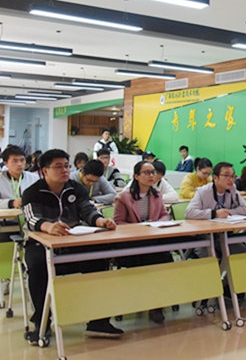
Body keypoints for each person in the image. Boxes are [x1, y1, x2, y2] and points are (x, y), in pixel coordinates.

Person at [22, 149, 122, 342]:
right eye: (58, 166)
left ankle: (98, 321)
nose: (65, 170)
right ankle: (42, 323)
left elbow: (87, 209)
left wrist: (100, 221)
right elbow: (32, 217)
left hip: (73, 241)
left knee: (100, 258)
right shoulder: (33, 192)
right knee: (38, 266)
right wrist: (48, 226)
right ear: (45, 170)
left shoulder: (76, 188)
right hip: (41, 244)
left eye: (67, 166)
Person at [113, 160, 174, 324]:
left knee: (164, 257)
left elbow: (165, 215)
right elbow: (118, 223)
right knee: (151, 258)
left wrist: (156, 223)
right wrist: (139, 228)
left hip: (151, 239)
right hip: (131, 243)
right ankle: (148, 302)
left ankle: (157, 303)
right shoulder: (123, 197)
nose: (151, 176)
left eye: (153, 172)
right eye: (146, 172)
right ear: (136, 176)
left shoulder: (157, 195)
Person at [0, 145, 40, 209]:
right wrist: (12, 203)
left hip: (29, 213)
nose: (19, 164)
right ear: (6, 163)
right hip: (6, 214)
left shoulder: (34, 178)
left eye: (22, 160)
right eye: (15, 161)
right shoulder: (1, 179)